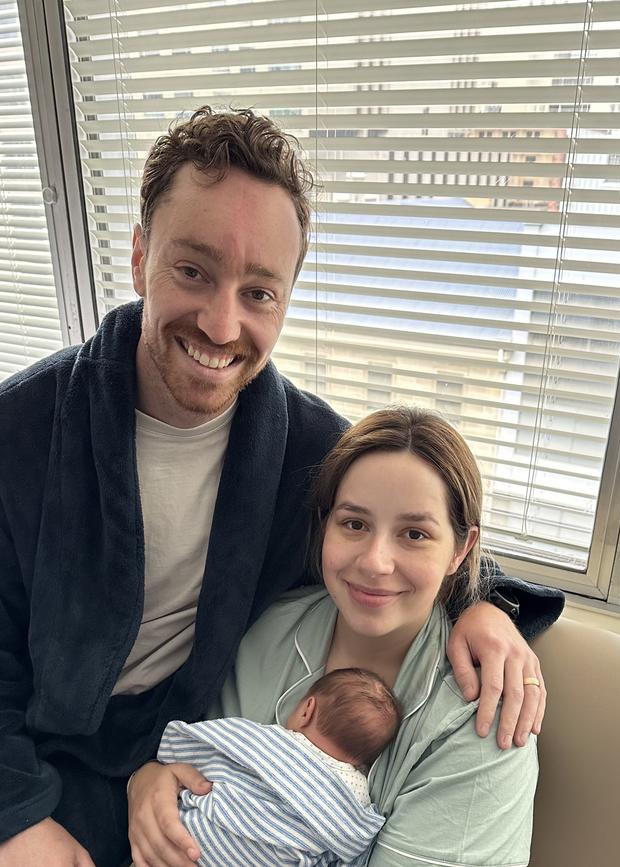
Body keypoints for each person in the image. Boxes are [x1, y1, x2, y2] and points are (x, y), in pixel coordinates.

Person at [0, 106, 563, 867]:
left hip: (171, 772)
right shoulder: (24, 429)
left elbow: (410, 530)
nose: (223, 325)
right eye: (194, 270)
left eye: (259, 292)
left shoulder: (309, 452)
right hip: (26, 758)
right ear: (140, 258)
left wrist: (486, 607)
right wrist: (17, 816)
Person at [129, 408, 540, 867]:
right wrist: (146, 782)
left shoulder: (479, 723)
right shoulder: (263, 633)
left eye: (414, 534)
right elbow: (197, 765)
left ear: (460, 550)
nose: (375, 562)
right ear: (325, 525)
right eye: (355, 524)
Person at [156, 669, 400, 865]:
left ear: (307, 709)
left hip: (191, 844)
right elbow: (353, 845)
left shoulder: (268, 741)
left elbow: (204, 746)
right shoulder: (354, 796)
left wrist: (168, 757)